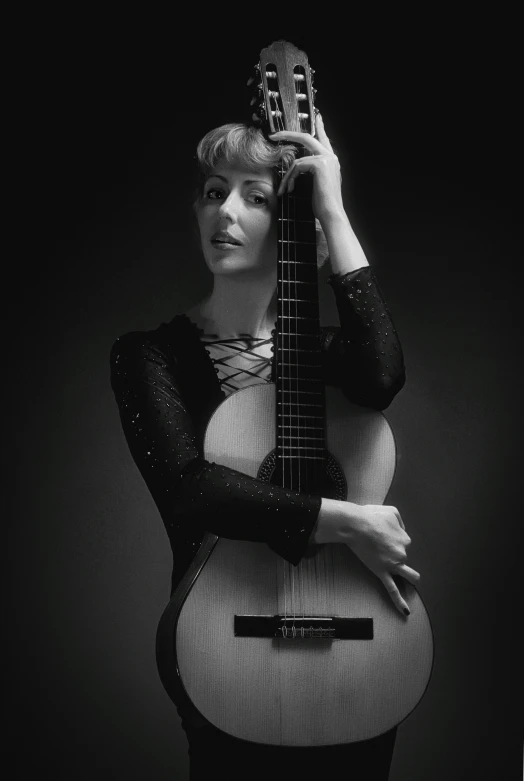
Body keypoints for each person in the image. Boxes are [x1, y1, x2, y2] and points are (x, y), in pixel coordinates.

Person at [110, 113, 418, 780]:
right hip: (224, 645)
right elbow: (192, 491)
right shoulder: (153, 358)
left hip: (360, 650)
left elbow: (386, 376)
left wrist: (333, 210)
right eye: (214, 189)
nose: (225, 210)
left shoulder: (329, 358)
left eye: (256, 196)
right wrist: (348, 522)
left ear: (292, 232)